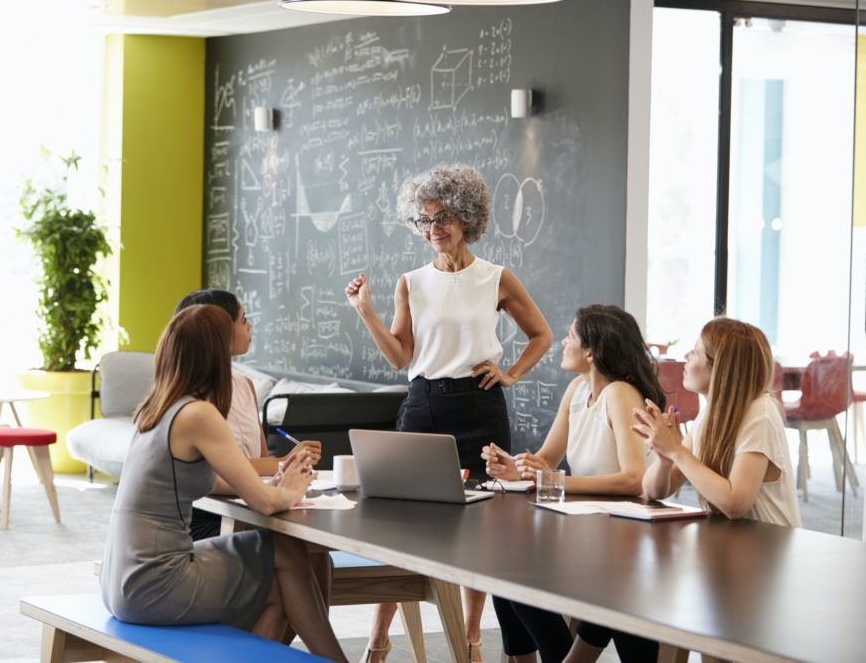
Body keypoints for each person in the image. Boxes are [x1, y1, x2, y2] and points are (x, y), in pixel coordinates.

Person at [345, 163, 553, 663]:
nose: (433, 230)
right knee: (402, 524)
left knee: (482, 528)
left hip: (481, 406)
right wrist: (366, 312)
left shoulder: (496, 278)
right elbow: (400, 357)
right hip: (423, 404)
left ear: (466, 218)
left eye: (443, 218)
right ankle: (377, 641)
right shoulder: (410, 283)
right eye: (424, 221)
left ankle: (471, 639)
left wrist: (511, 374)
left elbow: (541, 335)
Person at [100, 305, 347, 661]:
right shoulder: (198, 414)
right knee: (288, 550)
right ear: (216, 352)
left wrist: (279, 485)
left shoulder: (158, 405)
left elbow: (240, 481)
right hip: (152, 581)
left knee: (278, 592)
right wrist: (291, 488)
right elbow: (264, 502)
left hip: (122, 576)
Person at [481, 305, 665, 663]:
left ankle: (558, 657)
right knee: (502, 570)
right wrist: (517, 467)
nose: (563, 342)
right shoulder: (578, 390)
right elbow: (546, 461)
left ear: (591, 352)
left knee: (516, 572)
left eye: (571, 336)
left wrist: (553, 480)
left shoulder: (619, 393)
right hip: (592, 527)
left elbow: (634, 479)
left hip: (629, 537)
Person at [175, 288, 322, 541]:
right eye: (243, 319)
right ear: (219, 331)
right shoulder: (192, 403)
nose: (251, 325)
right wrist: (286, 463)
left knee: (311, 541)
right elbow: (219, 473)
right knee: (292, 543)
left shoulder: (246, 385)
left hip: (249, 501)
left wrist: (286, 466)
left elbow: (260, 460)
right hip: (208, 512)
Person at [636, 317, 801, 527]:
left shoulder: (760, 413)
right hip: (733, 546)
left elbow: (735, 503)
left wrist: (676, 450)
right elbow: (651, 491)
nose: (686, 357)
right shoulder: (708, 416)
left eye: (695, 352)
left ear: (720, 367)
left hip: (768, 550)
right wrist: (664, 459)